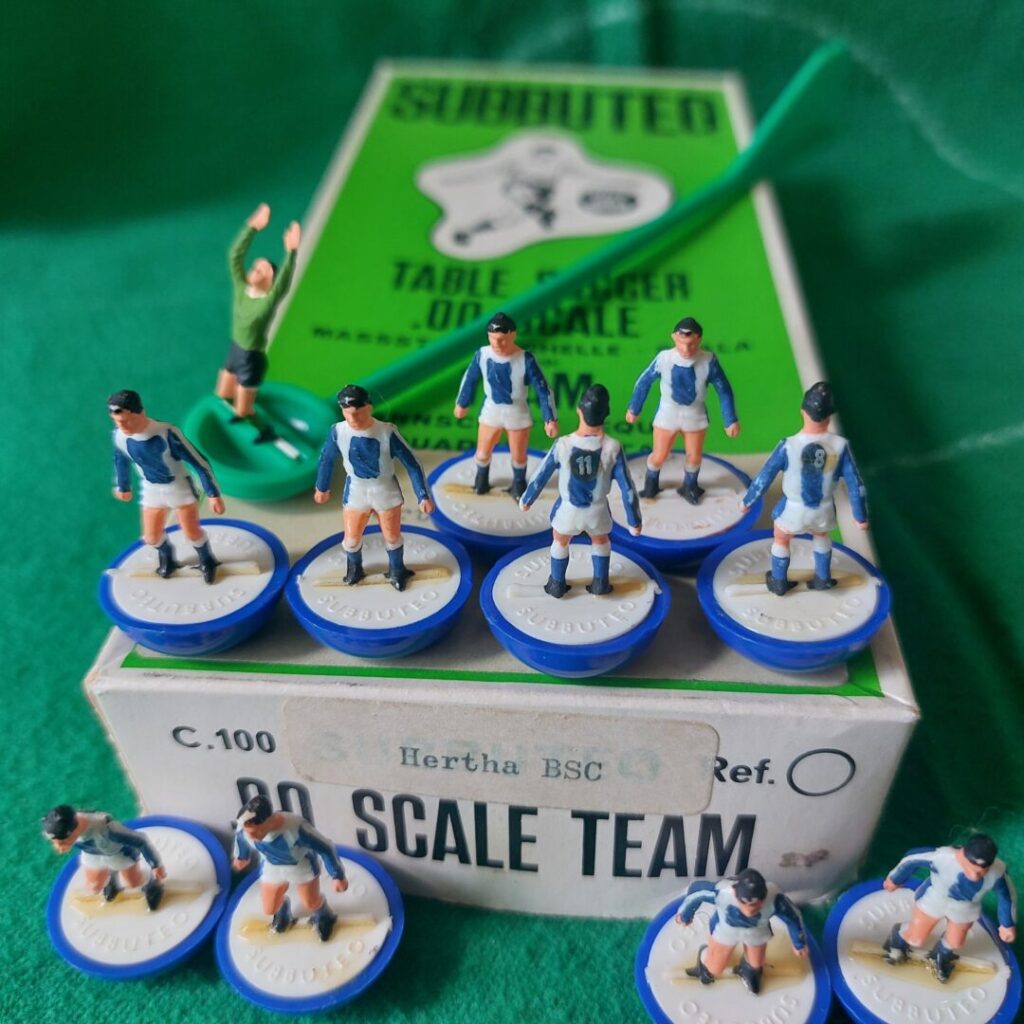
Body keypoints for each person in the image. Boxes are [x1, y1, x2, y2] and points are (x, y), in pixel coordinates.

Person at [741, 381, 867, 595]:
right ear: (829, 417)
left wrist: (748, 501)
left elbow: (765, 476)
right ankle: (823, 578)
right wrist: (860, 516)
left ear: (803, 412)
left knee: (781, 538)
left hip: (793, 510)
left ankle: (779, 581)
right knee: (822, 536)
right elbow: (855, 484)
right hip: (823, 510)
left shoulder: (788, 445)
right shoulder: (840, 446)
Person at [519, 383, 641, 598]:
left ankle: (557, 583)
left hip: (568, 511)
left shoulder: (563, 445)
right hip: (597, 511)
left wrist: (527, 499)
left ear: (579, 410)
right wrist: (634, 521)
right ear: (606, 414)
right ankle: (600, 583)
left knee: (560, 541)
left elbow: (541, 475)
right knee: (601, 541)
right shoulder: (612, 447)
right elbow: (627, 487)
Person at [315, 385, 434, 591]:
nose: (353, 418)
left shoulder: (386, 432)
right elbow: (326, 459)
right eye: (347, 413)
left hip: (384, 490)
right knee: (351, 540)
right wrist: (322, 487)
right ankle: (354, 570)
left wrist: (422, 495)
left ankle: (397, 570)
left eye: (358, 413)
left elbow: (412, 464)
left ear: (368, 408)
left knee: (392, 536)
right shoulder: (338, 431)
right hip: (356, 490)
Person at [109, 389, 225, 583]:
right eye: (117, 421)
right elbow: (120, 460)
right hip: (151, 489)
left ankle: (207, 560)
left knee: (191, 532)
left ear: (140, 413)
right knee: (151, 537)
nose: (122, 426)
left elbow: (199, 462)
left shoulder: (166, 433)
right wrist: (123, 486)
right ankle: (167, 558)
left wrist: (213, 493)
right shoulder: (119, 436)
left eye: (126, 421)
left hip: (178, 487)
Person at [626, 316, 740, 504]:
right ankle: (651, 484)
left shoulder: (708, 361)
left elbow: (724, 390)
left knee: (694, 456)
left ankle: (690, 486)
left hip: (695, 415)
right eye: (682, 343)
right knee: (659, 455)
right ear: (674, 338)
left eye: (691, 344)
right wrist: (634, 408)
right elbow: (644, 382)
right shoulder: (664, 359)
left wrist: (730, 419)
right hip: (668, 414)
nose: (686, 350)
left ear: (699, 339)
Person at [882, 833, 1017, 982]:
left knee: (955, 942)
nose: (974, 876)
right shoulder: (943, 857)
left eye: (980, 871)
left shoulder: (997, 873)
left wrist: (1007, 924)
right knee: (916, 938)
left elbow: (1006, 897)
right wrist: (895, 879)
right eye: (970, 868)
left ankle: (940, 956)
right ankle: (898, 939)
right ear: (962, 855)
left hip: (965, 908)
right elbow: (911, 859)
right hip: (934, 898)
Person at [217, 203, 300, 440]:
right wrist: (252, 227)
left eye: (262, 271)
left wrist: (291, 253)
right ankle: (242, 413)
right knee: (223, 394)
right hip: (234, 349)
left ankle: (266, 430)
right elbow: (234, 256)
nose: (255, 271)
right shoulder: (242, 289)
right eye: (255, 267)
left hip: (250, 359)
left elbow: (283, 284)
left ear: (270, 280)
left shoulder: (266, 302)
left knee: (243, 409)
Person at [454, 312, 558, 499]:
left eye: (501, 339)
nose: (496, 344)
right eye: (492, 338)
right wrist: (462, 403)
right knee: (482, 451)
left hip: (517, 411)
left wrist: (549, 418)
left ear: (512, 336)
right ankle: (481, 481)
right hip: (491, 409)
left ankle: (519, 484)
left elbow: (543, 388)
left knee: (518, 454)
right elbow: (470, 379)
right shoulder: (482, 355)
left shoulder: (525, 359)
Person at [231, 795, 348, 942]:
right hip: (272, 867)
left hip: (301, 866)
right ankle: (283, 915)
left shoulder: (296, 828)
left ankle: (324, 916)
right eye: (249, 833)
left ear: (268, 820)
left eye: (255, 832)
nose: (251, 837)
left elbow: (325, 848)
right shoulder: (245, 831)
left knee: (310, 902)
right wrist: (241, 857)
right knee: (269, 908)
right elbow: (241, 839)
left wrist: (337, 875)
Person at [675, 868, 808, 994]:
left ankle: (748, 971)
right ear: (734, 892)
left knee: (756, 963)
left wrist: (799, 943)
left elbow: (793, 917)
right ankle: (704, 963)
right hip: (725, 931)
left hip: (756, 933)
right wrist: (685, 914)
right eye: (745, 903)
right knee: (714, 967)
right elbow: (697, 892)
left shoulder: (775, 899)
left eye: (755, 904)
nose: (750, 910)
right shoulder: (722, 893)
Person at [42, 805, 166, 909]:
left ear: (73, 831)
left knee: (133, 883)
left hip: (119, 853)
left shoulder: (108, 830)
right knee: (94, 886)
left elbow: (141, 841)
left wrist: (155, 865)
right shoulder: (67, 831)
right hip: (92, 854)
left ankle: (153, 884)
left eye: (63, 842)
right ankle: (112, 880)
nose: (59, 847)